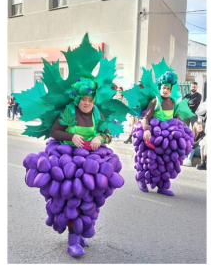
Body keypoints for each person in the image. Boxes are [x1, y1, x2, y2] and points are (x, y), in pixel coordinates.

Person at [17, 33, 129, 258]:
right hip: (68, 160)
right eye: (83, 100)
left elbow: (106, 135)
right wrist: (70, 137)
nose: (87, 103)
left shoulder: (97, 113)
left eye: (90, 99)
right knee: (71, 199)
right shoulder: (68, 112)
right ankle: (73, 240)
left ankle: (82, 230)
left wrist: (100, 138)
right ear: (77, 99)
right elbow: (54, 132)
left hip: (93, 160)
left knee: (89, 199)